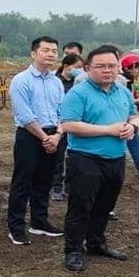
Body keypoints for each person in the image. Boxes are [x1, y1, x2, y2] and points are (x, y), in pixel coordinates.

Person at [59, 45, 139, 272]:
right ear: (87, 68)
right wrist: (109, 130)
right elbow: (69, 124)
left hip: (116, 158)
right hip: (85, 159)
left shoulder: (123, 91)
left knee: (105, 204)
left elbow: (134, 115)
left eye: (112, 66)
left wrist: (132, 126)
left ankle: (96, 242)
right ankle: (73, 250)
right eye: (101, 66)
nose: (107, 70)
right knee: (81, 206)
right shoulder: (78, 93)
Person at [6, 35, 65, 245]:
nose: (51, 54)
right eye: (46, 50)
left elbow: (63, 111)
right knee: (22, 182)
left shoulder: (56, 82)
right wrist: (44, 137)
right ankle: (16, 226)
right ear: (33, 53)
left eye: (54, 51)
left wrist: (57, 135)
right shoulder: (21, 80)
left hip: (54, 135)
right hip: (30, 136)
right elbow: (24, 115)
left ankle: (39, 221)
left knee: (45, 180)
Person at [50, 53, 84, 201]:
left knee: (72, 157)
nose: (79, 71)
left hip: (75, 123)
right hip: (57, 123)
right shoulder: (55, 81)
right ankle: (56, 185)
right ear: (66, 66)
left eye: (82, 68)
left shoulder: (81, 82)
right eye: (77, 68)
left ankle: (69, 186)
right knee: (58, 157)